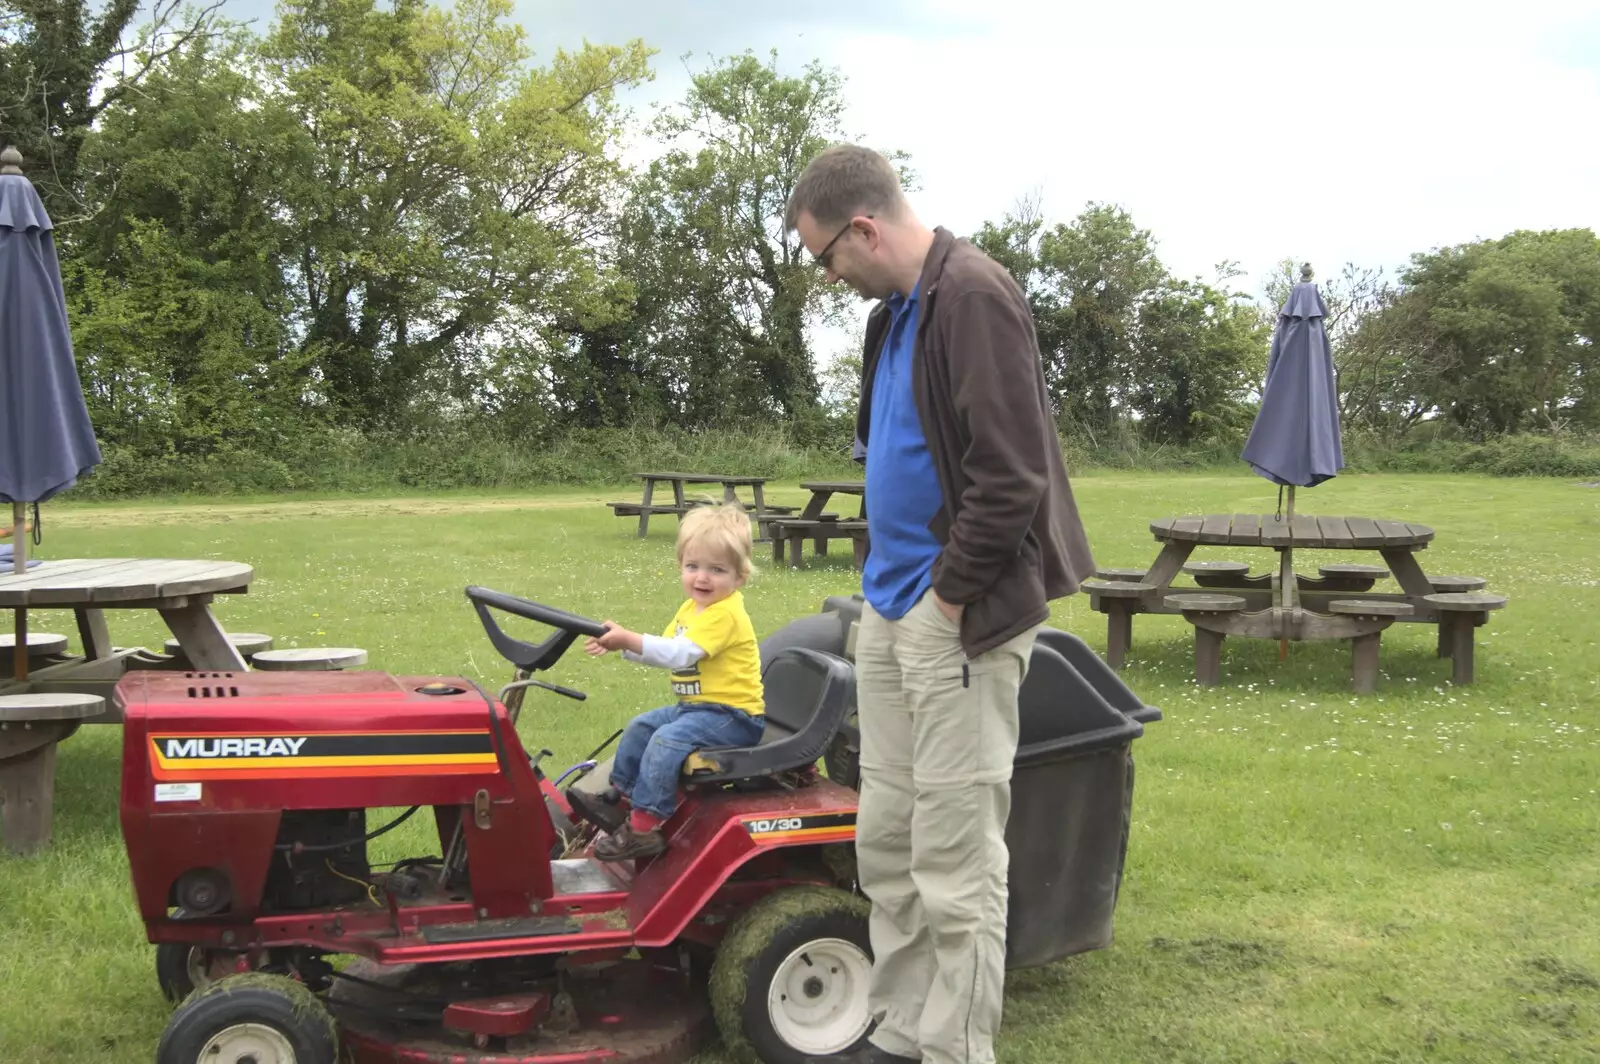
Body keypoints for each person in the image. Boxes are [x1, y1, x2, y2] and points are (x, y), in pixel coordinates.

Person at [785, 145, 1096, 1064]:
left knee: (956, 859)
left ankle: (956, 1049)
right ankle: (902, 1028)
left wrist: (947, 601)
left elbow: (1011, 476)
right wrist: (891, 584)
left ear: (865, 228)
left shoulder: (974, 296)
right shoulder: (894, 317)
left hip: (957, 616)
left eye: (825, 256)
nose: (829, 275)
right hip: (890, 613)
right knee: (888, 838)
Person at [580, 501, 766, 862]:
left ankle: (645, 828)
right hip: (696, 709)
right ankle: (622, 799)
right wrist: (620, 644)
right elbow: (662, 649)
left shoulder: (725, 615)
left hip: (734, 716)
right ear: (680, 566)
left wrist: (628, 638)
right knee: (640, 727)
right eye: (693, 566)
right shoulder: (690, 610)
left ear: (739, 576)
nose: (702, 578)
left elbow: (679, 655)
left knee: (666, 740)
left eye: (717, 569)